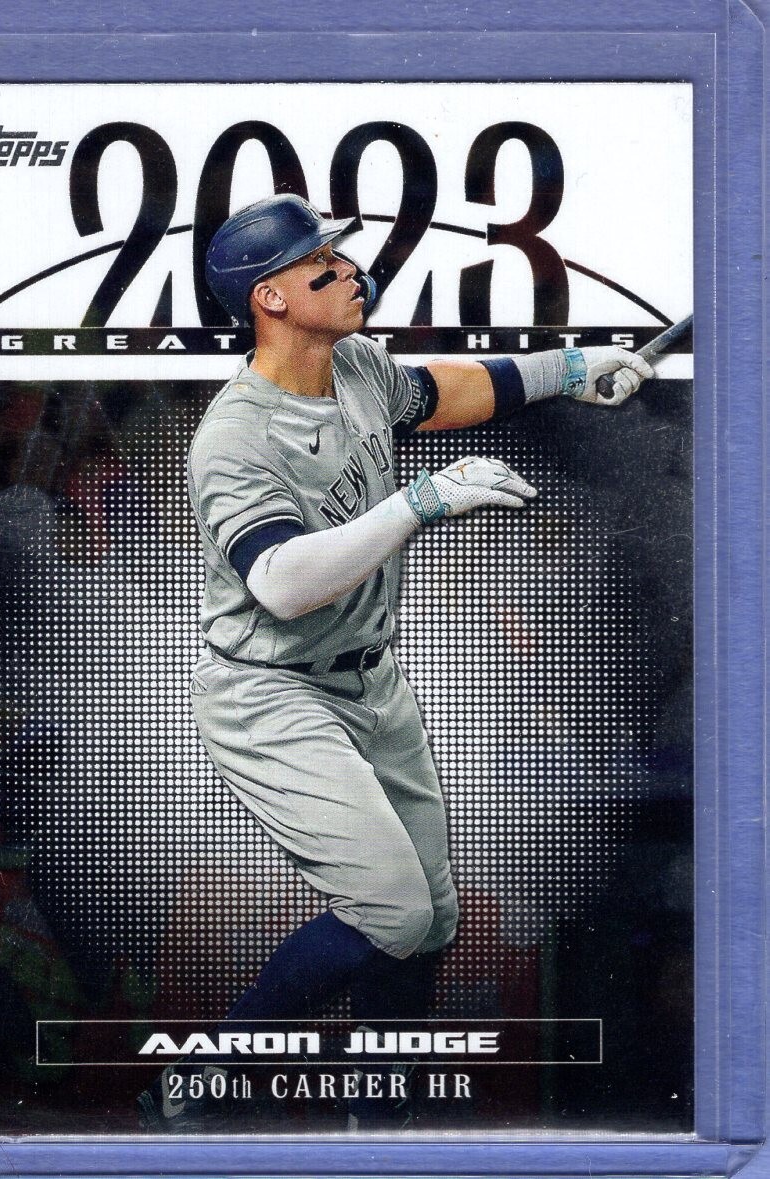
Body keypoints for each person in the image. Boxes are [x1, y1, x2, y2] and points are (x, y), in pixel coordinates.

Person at [137, 194, 652, 1132]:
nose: (348, 269)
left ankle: (380, 1116)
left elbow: (445, 389)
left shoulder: (356, 365)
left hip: (369, 678)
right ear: (270, 298)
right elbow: (283, 583)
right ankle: (207, 1066)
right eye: (322, 262)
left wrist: (572, 368)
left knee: (432, 918)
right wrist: (418, 503)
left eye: (338, 253)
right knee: (392, 911)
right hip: (269, 689)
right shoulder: (235, 436)